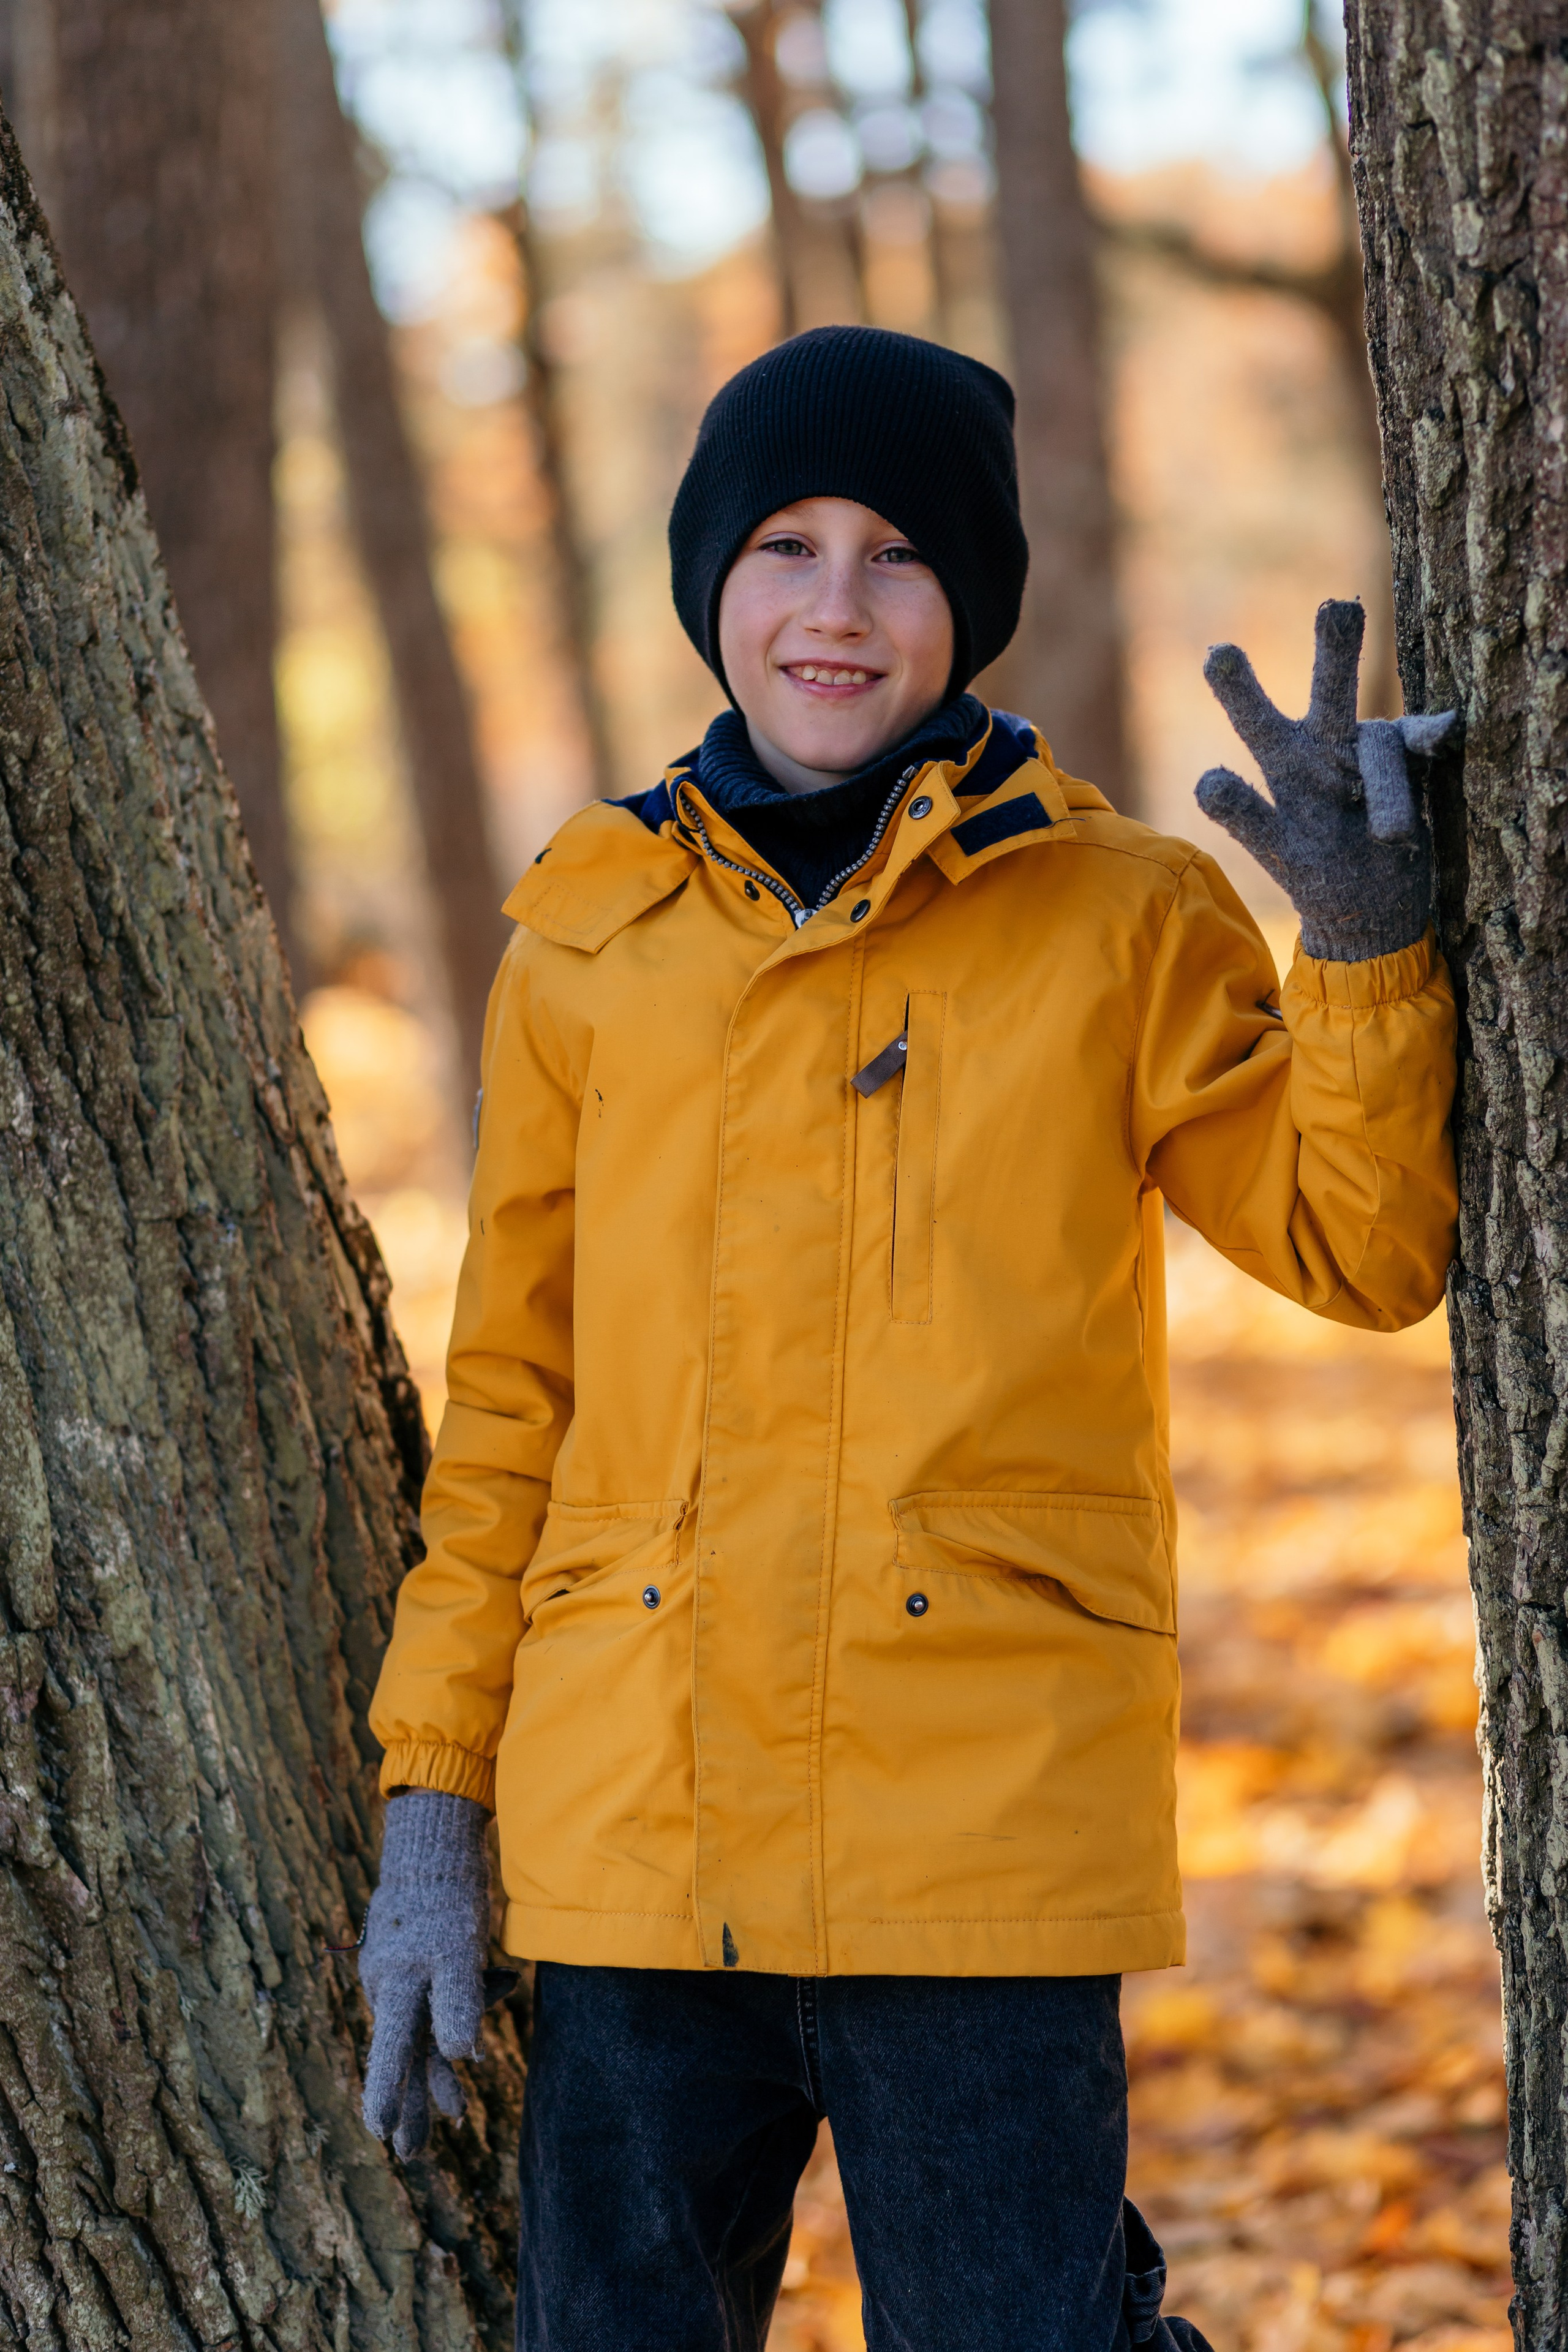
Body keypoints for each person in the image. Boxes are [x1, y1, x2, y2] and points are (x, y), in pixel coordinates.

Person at [356, 325, 1458, 2351]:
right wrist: (435, 1802)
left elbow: (1361, 1249)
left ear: (975, 597)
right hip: (632, 1842)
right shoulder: (585, 938)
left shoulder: (1118, 915)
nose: (837, 608)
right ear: (713, 584)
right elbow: (514, 1395)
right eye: (785, 546)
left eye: (899, 555)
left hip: (982, 1830)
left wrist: (1368, 948)